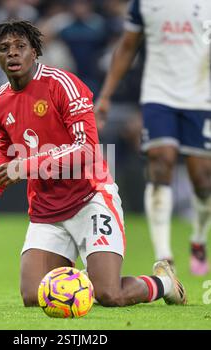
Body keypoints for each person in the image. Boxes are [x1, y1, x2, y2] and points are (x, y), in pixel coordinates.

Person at [0, 20, 186, 307]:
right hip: (47, 209)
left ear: (35, 51)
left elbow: (86, 150)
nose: (13, 53)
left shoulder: (63, 84)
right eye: (4, 49)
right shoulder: (1, 101)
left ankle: (163, 283)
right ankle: (88, 280)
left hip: (90, 198)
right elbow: (8, 152)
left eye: (20, 47)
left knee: (110, 295)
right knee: (33, 297)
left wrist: (27, 167)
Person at [95, 0, 211, 275]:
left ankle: (198, 238)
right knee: (161, 161)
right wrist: (106, 95)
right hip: (158, 95)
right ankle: (164, 256)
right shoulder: (144, 4)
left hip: (200, 95)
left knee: (203, 180)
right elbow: (127, 46)